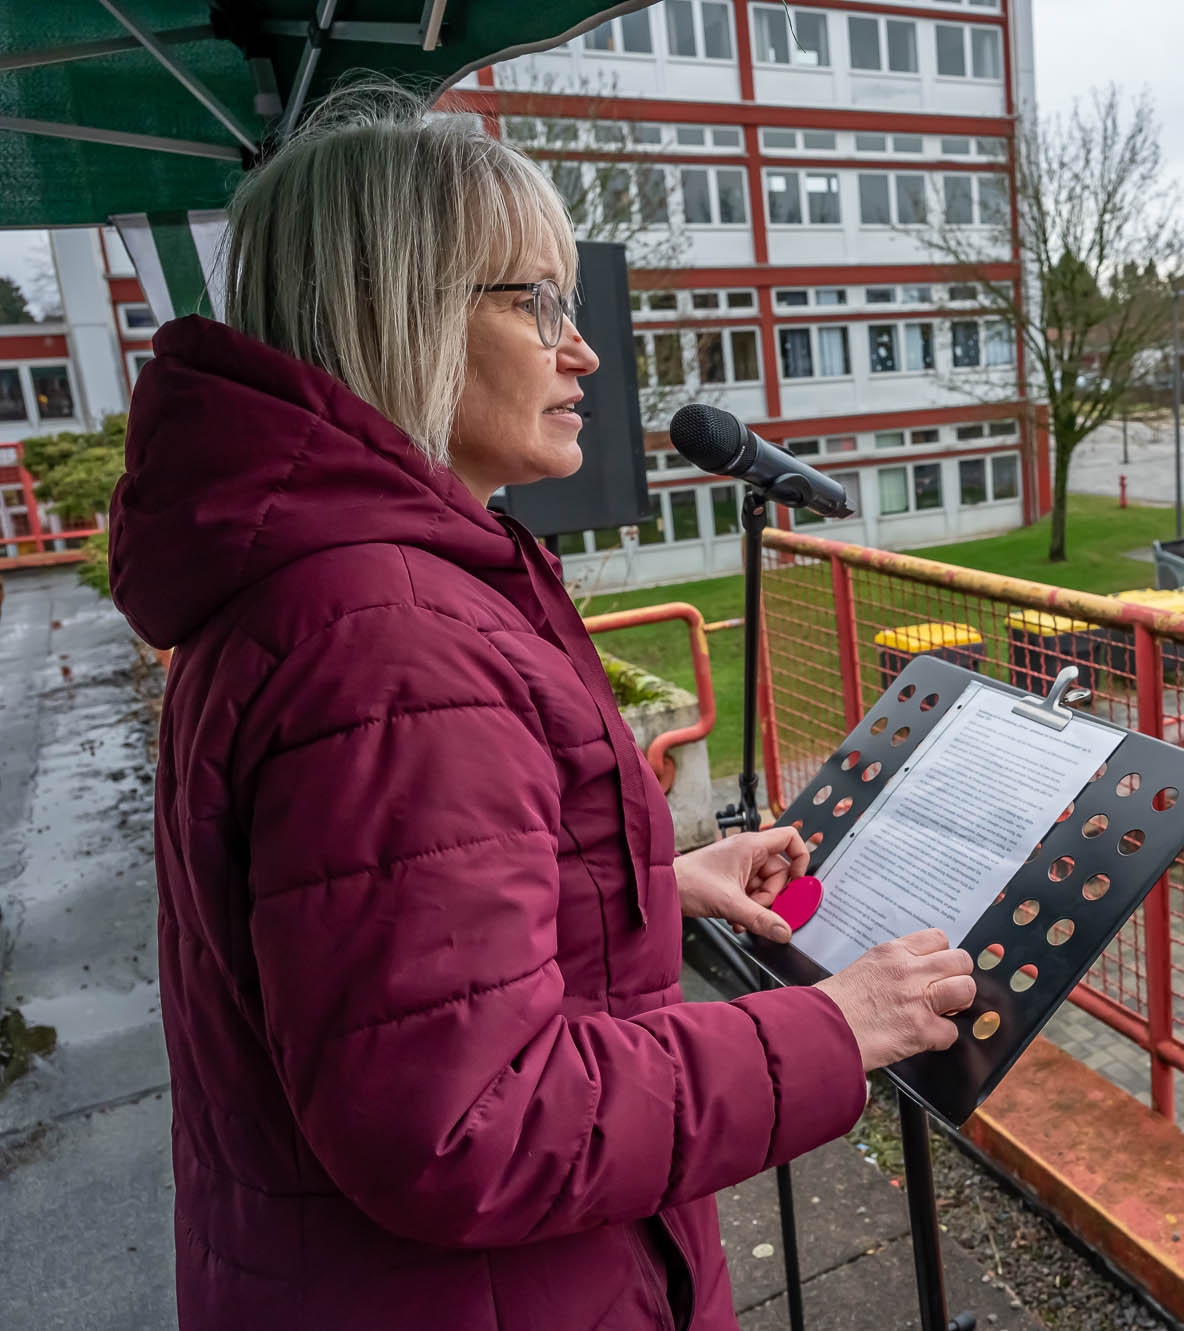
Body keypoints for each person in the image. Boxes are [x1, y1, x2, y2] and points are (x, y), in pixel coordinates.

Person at [103, 89, 976, 1330]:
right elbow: (473, 1121)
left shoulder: (332, 585)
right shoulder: (386, 641)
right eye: (538, 304)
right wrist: (835, 1025)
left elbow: (379, 943)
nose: (582, 353)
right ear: (399, 312)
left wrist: (646, 884)